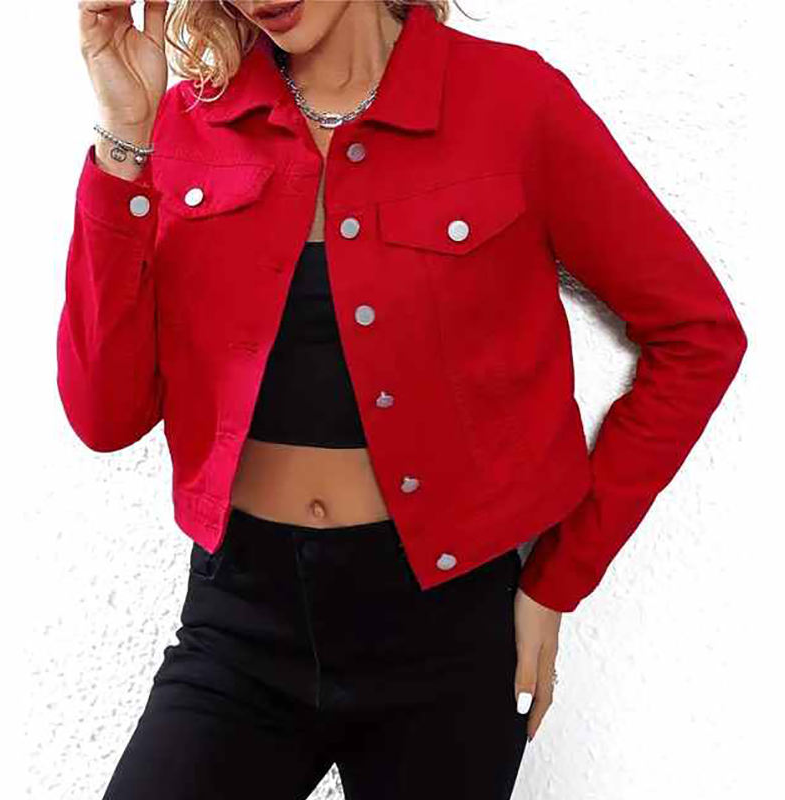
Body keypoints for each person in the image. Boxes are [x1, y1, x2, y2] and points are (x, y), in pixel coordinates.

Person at [62, 1, 747, 798]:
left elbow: (699, 336)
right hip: (240, 620)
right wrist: (124, 141)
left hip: (449, 638)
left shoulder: (513, 103)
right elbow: (105, 418)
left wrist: (558, 577)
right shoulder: (183, 125)